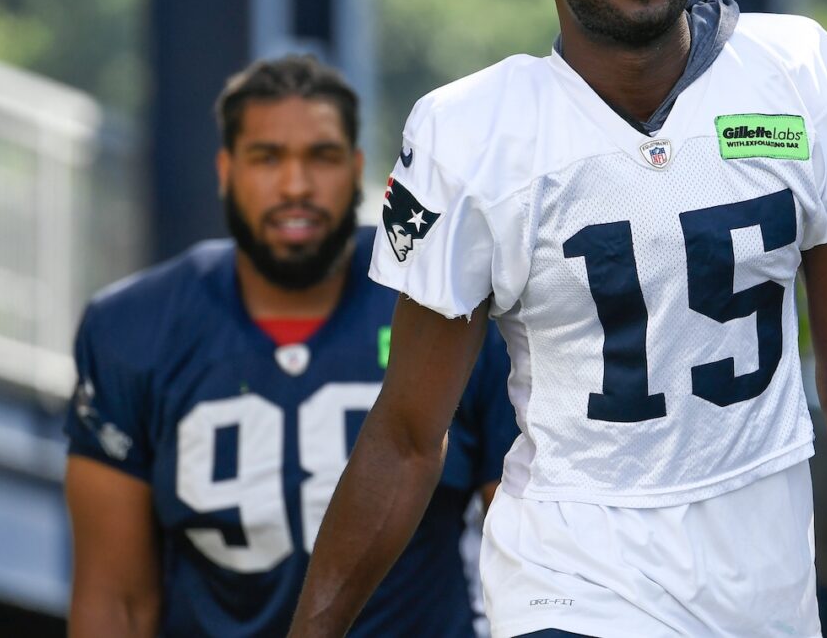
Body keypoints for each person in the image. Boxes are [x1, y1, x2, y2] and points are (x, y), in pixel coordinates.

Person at [291, 0, 827, 638]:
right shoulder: (472, 131)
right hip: (572, 572)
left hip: (760, 579)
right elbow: (407, 434)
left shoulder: (798, 72)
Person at [64, 55, 517, 637]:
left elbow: (527, 553)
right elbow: (116, 601)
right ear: (225, 169)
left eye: (322, 157)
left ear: (357, 169)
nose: (296, 185)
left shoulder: (442, 298)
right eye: (267, 157)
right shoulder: (132, 327)